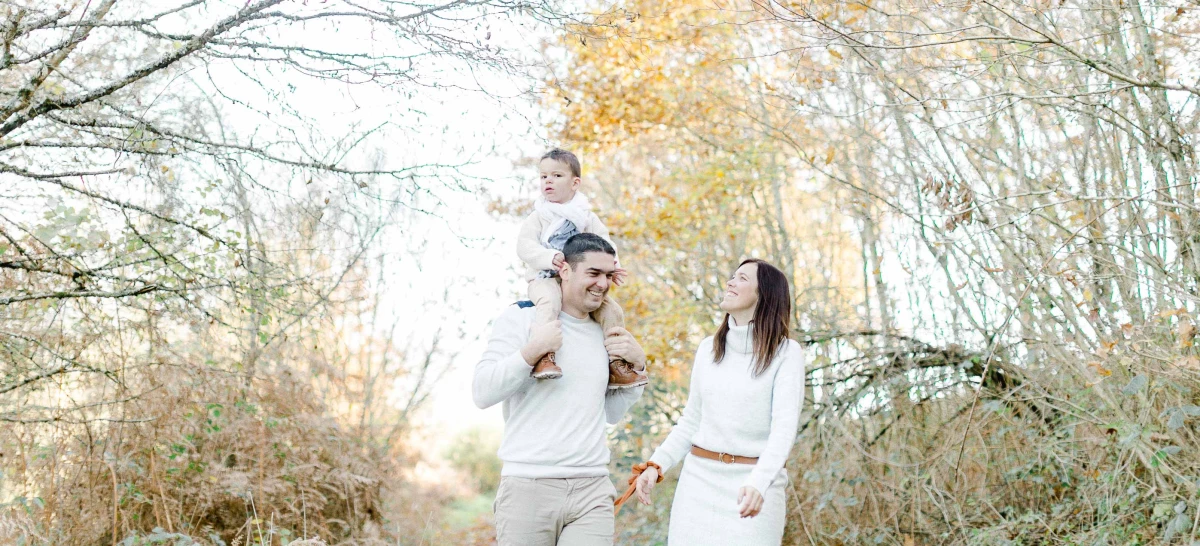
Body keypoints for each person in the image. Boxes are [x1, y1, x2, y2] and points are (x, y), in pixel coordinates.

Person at [474, 233, 649, 546]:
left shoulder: (606, 331)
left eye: (609, 275)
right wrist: (533, 351)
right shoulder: (522, 317)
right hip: (529, 486)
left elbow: (611, 413)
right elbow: (482, 392)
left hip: (592, 488)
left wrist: (638, 367)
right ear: (565, 270)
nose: (603, 284)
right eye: (593, 273)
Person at [632, 259, 805, 545]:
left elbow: (783, 431)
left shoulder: (787, 353)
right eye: (732, 277)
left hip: (754, 488)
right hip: (697, 485)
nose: (730, 282)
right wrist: (656, 464)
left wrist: (759, 482)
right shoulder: (708, 349)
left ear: (765, 294)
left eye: (742, 278)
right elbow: (691, 421)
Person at [517, 148, 646, 389]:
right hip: (545, 279)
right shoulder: (539, 216)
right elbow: (524, 246)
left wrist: (613, 266)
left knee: (613, 311)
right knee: (549, 303)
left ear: (575, 183)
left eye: (556, 176)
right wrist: (549, 257)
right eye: (543, 176)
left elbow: (605, 242)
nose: (548, 181)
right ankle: (543, 356)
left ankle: (617, 364)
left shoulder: (585, 216)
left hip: (577, 283)